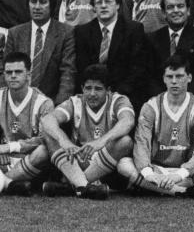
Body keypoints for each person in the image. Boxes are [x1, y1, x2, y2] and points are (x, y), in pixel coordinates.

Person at [116, 54, 194, 198]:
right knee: (123, 164)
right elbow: (141, 143)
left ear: (189, 78)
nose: (174, 81)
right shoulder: (151, 106)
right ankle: (182, 192)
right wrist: (149, 174)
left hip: (185, 173)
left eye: (179, 76)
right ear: (164, 79)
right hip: (157, 170)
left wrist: (179, 175)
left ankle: (151, 188)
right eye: (170, 76)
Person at [40, 64, 135, 199]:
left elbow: (128, 121)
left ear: (108, 90)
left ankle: (74, 186)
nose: (92, 94)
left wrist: (101, 142)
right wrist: (65, 142)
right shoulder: (76, 101)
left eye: (98, 89)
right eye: (88, 88)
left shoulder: (118, 100)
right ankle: (85, 187)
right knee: (49, 134)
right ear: (82, 88)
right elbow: (48, 120)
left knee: (125, 141)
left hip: (106, 164)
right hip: (79, 160)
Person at [74, 0, 147, 112]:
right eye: (99, 2)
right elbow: (82, 69)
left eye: (108, 1)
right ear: (93, 7)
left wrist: (114, 96)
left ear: (118, 5)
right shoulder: (82, 32)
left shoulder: (134, 30)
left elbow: (137, 69)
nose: (103, 5)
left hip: (124, 96)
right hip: (91, 96)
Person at [2, 0, 75, 105]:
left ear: (51, 5)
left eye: (42, 2)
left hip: (51, 102)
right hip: (17, 101)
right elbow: (5, 69)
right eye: (33, 1)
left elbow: (68, 73)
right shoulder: (15, 33)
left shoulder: (66, 33)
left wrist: (58, 107)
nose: (37, 6)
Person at [0, 52, 54, 196]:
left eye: (18, 72)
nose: (12, 76)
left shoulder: (43, 103)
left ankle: (6, 182)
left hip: (28, 161)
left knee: (44, 150)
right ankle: (11, 185)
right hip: (2, 159)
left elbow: (45, 139)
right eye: (8, 72)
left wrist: (9, 147)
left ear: (28, 75)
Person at [147, 0, 194, 97]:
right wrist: (162, 100)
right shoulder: (152, 39)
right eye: (170, 7)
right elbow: (150, 77)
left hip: (190, 97)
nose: (176, 10)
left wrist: (184, 99)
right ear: (163, 13)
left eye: (180, 6)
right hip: (159, 99)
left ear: (188, 10)